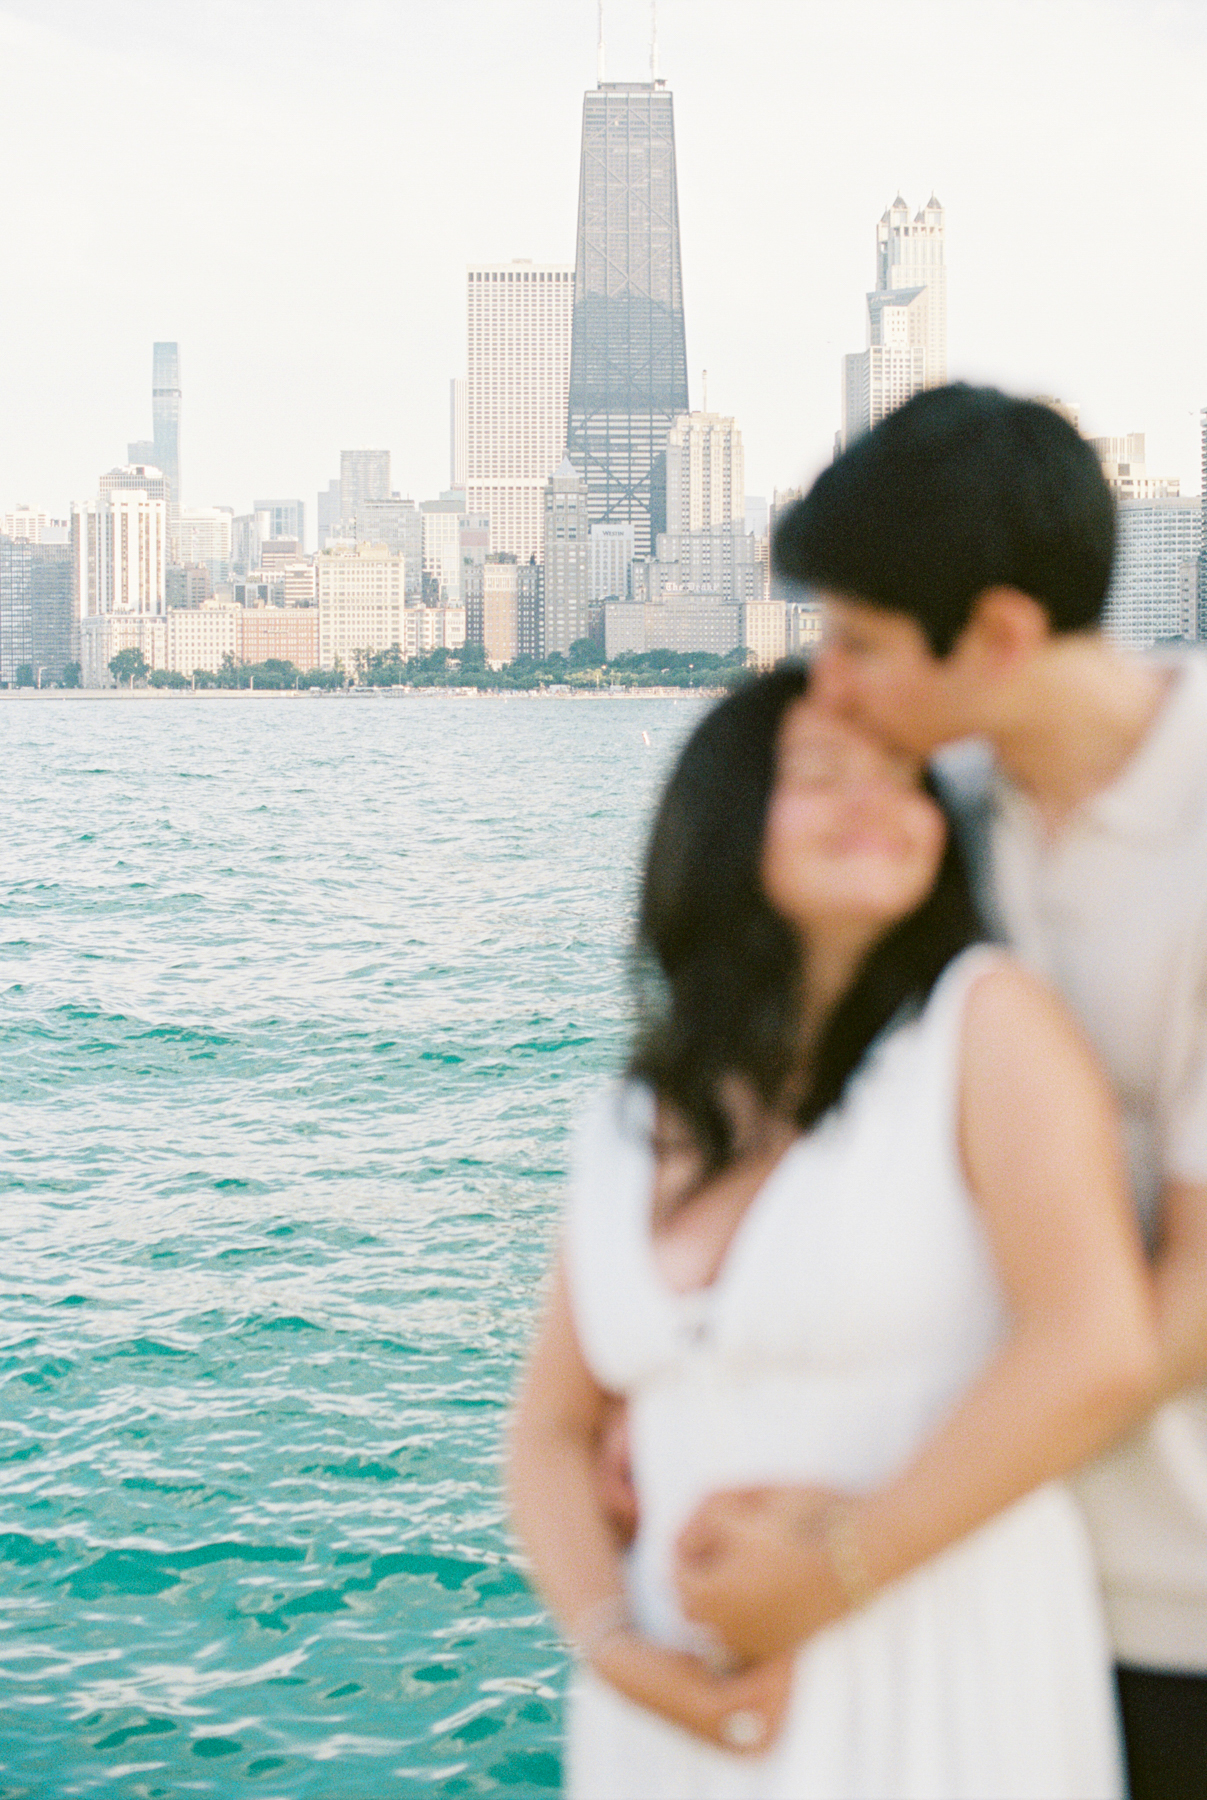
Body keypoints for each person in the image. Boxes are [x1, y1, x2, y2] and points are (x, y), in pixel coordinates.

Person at [509, 666, 1156, 1799]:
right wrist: (620, 1652)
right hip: (683, 1716)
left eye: (905, 781)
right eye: (820, 775)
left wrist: (832, 1575)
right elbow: (549, 1431)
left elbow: (1094, 1351)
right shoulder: (630, 1118)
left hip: (939, 1673)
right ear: (717, 818)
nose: (875, 803)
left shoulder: (981, 1025)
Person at [753, 382, 1207, 1799]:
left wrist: (840, 1560)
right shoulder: (939, 830)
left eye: (860, 645)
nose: (823, 684)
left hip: (1176, 1606)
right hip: (992, 1578)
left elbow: (1183, 1306)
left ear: (997, 636)